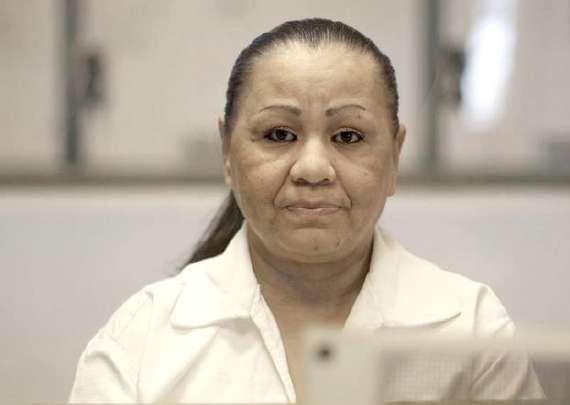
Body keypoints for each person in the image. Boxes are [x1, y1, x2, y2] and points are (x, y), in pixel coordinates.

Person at [68, 18, 544, 403]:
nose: (313, 169)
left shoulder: (470, 329)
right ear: (227, 152)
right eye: (279, 135)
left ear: (395, 156)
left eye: (348, 137)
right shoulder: (142, 339)